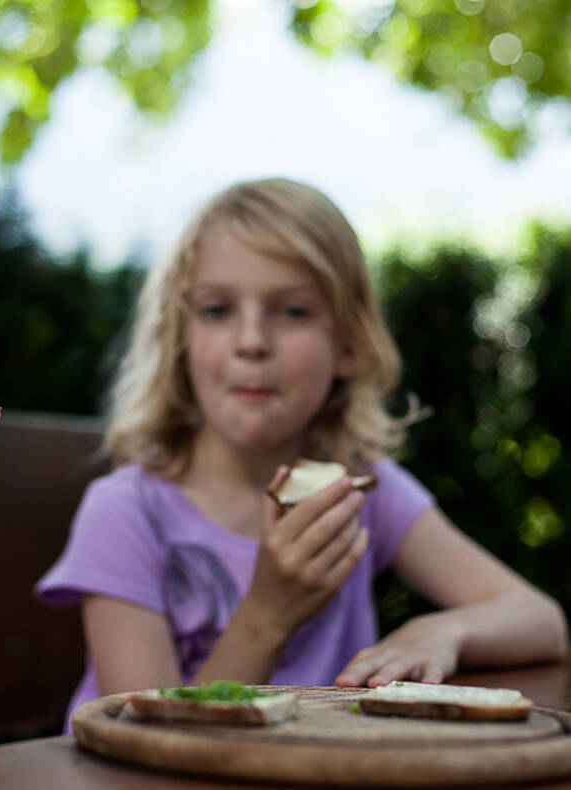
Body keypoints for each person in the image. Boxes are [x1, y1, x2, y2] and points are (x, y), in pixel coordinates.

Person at [36, 177, 568, 729]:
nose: (251, 341)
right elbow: (143, 740)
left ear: (349, 346)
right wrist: (269, 613)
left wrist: (442, 630)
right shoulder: (127, 511)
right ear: (180, 339)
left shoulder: (362, 490)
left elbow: (541, 619)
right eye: (218, 310)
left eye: (291, 311)